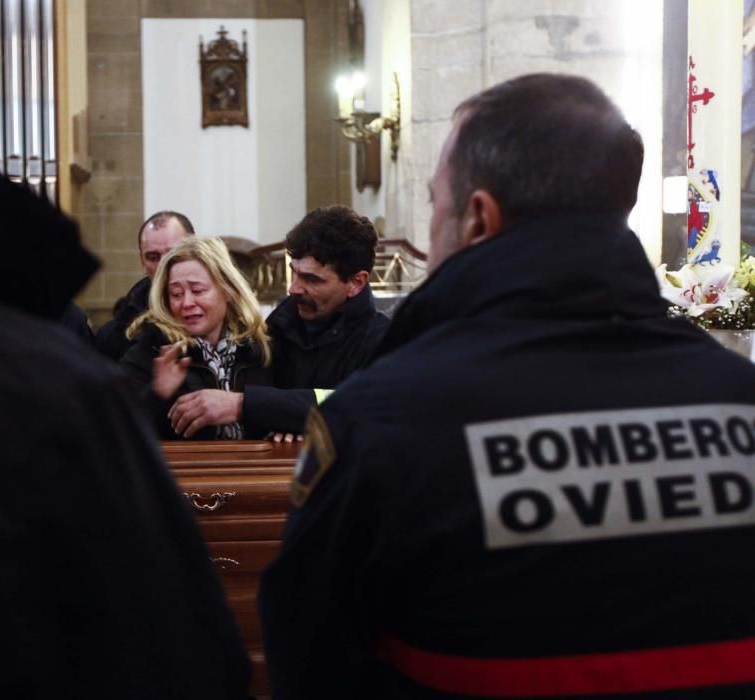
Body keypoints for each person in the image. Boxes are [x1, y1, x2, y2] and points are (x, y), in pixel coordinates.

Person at [258, 73, 755, 699]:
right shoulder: (743, 397)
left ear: (478, 220)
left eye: (436, 204)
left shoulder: (383, 423)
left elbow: (312, 663)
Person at [0, 150, 250, 699]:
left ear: (225, 288)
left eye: (195, 286)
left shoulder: (263, 342)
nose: (185, 299)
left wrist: (251, 406)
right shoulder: (95, 358)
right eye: (172, 284)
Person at [170, 205, 390, 439]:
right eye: (293, 272)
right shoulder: (280, 325)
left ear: (356, 282)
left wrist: (244, 405)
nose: (293, 288)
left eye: (311, 279)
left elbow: (356, 403)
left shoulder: (383, 341)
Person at [121, 236, 271, 440]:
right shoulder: (150, 348)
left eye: (197, 290)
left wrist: (284, 424)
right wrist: (156, 394)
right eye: (176, 294)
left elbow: (302, 403)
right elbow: (115, 430)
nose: (187, 303)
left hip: (260, 468)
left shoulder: (260, 345)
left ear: (227, 290)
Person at [95, 210, 195, 360]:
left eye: (173, 254)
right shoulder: (114, 335)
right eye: (153, 257)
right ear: (142, 261)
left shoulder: (224, 323)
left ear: (195, 252)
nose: (163, 265)